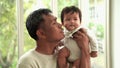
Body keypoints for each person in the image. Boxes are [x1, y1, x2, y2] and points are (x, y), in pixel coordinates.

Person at [17, 8, 90, 68]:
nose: (61, 25)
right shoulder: (28, 62)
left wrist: (85, 49)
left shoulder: (65, 54)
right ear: (41, 33)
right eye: (54, 23)